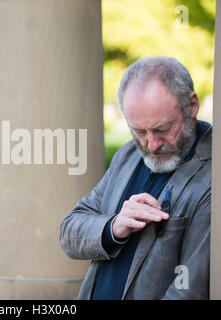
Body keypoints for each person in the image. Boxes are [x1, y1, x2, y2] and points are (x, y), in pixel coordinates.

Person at [59, 56, 211, 300]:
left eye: (162, 129)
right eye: (139, 131)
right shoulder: (129, 153)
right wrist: (114, 226)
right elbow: (69, 232)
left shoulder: (217, 174)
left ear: (192, 105)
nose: (151, 144)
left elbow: (189, 291)